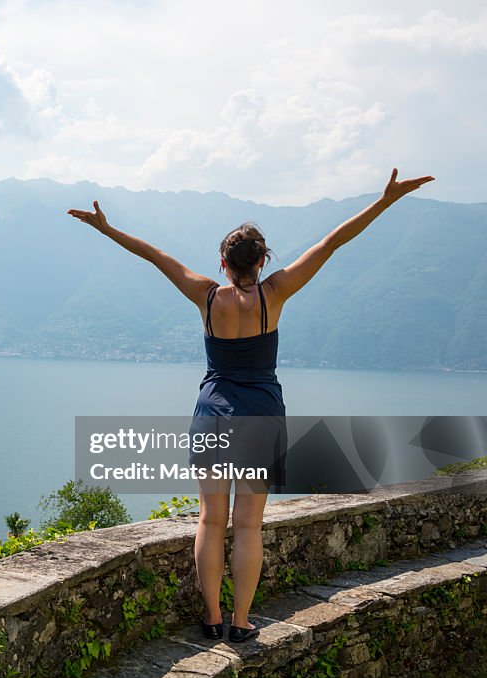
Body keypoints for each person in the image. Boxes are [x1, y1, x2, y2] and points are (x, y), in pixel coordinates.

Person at [67, 168, 434, 643]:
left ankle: (212, 617)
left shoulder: (206, 296)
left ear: (223, 262)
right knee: (248, 526)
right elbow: (331, 243)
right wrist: (384, 201)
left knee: (210, 519)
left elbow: (156, 257)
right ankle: (241, 622)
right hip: (261, 416)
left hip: (213, 412)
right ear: (261, 261)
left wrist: (108, 229)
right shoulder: (274, 294)